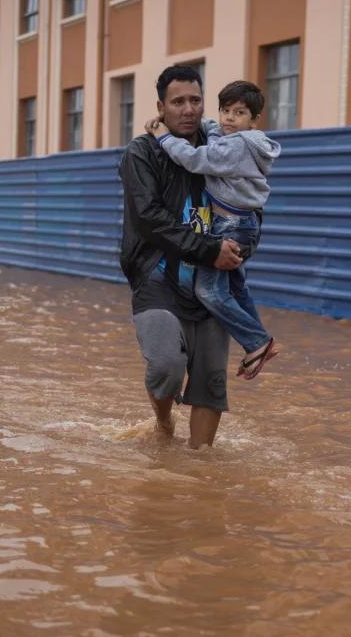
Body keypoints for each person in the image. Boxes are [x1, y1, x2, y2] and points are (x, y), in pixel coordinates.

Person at [119, 65, 244, 449]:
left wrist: (241, 249)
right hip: (158, 279)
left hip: (213, 283)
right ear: (161, 106)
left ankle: (200, 466)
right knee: (166, 366)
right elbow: (149, 219)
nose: (188, 109)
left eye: (195, 100)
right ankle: (163, 421)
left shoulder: (221, 149)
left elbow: (250, 205)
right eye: (178, 102)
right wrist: (209, 247)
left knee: (210, 382)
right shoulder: (141, 154)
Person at [144, 80, 282, 379]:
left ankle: (256, 342)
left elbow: (195, 159)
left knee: (208, 290)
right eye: (225, 110)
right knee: (235, 287)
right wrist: (196, 120)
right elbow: (214, 129)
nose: (230, 118)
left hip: (232, 225)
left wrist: (163, 135)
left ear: (254, 120)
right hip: (239, 222)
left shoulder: (237, 146)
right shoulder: (234, 135)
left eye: (239, 112)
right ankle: (260, 342)